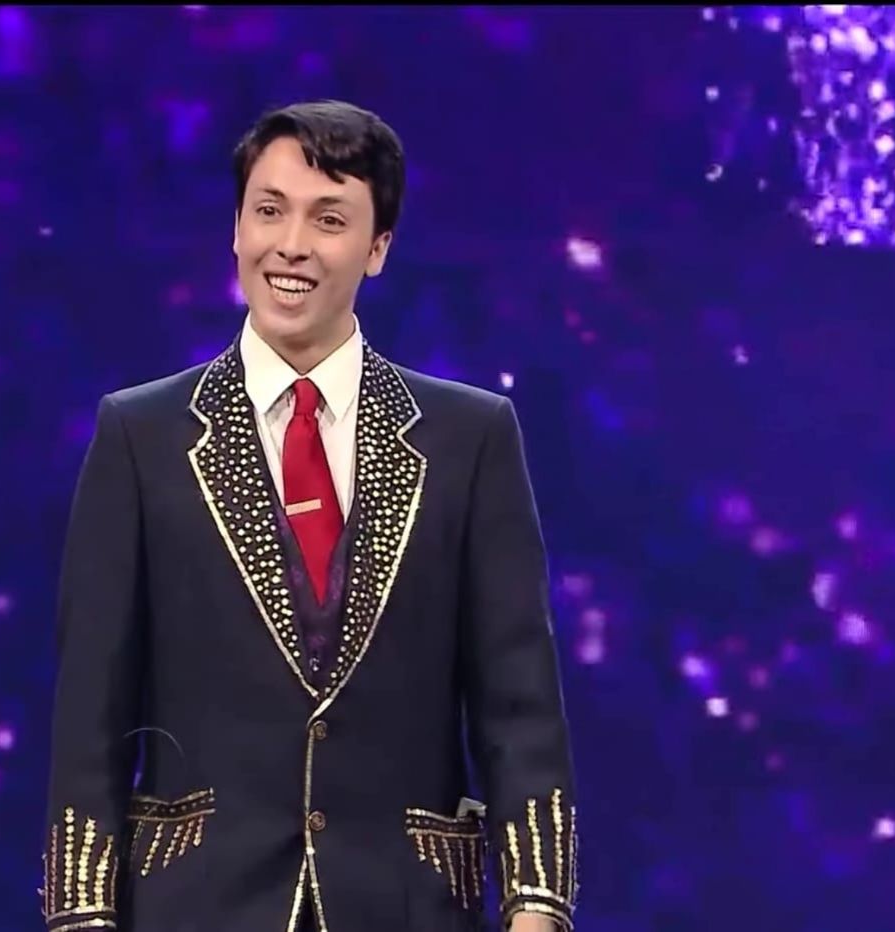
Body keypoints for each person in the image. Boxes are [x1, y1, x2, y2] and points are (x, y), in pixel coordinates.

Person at [40, 99, 578, 932]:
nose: (291, 244)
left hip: (408, 907)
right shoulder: (140, 437)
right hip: (196, 906)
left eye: (329, 219)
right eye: (269, 211)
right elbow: (90, 718)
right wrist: (82, 915)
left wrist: (536, 909)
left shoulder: (469, 439)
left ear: (378, 247)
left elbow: (520, 707)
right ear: (236, 229)